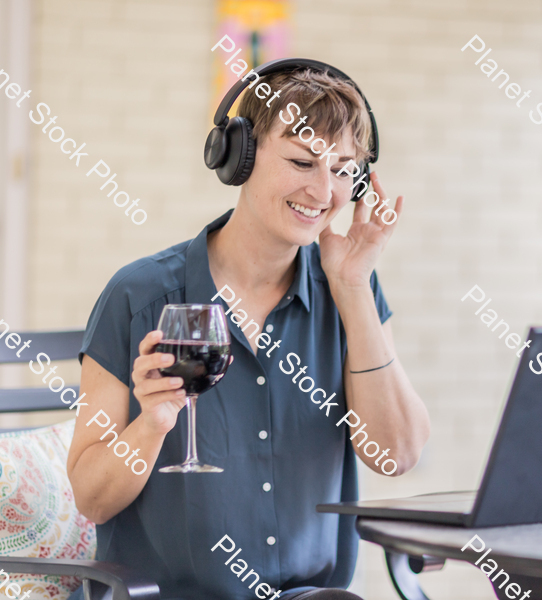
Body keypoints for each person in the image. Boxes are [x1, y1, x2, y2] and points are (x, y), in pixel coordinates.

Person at [66, 64, 430, 600]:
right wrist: (151, 425)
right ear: (242, 158)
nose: (324, 191)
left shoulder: (349, 294)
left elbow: (395, 454)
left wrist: (352, 285)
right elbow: (92, 499)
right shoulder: (139, 298)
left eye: (343, 169)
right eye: (303, 162)